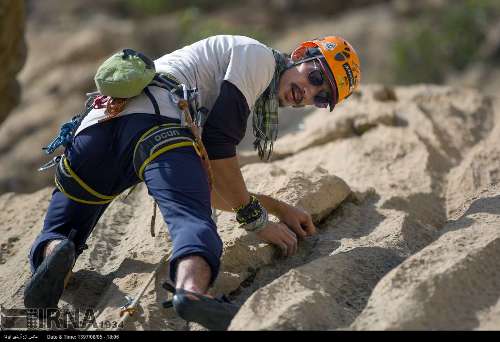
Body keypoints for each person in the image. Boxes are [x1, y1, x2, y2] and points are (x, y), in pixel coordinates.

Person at [24, 35, 361, 330]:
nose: (310, 92)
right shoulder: (257, 57)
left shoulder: (233, 67)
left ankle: (57, 255)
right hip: (158, 127)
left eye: (321, 98)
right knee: (192, 221)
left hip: (95, 130)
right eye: (316, 76)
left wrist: (276, 207)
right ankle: (191, 292)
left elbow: (210, 185)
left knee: (62, 229)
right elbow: (217, 146)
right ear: (300, 55)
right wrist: (257, 222)